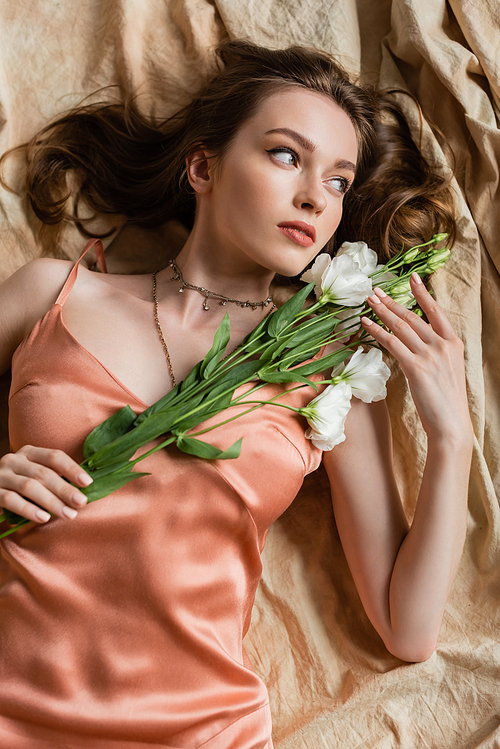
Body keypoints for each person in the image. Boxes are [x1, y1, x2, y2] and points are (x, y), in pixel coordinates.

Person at [0, 40, 473, 748]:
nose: (317, 195)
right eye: (288, 155)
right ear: (203, 166)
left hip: (202, 732)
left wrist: (452, 437)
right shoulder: (55, 293)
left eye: (340, 181)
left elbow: (407, 627)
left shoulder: (329, 366)